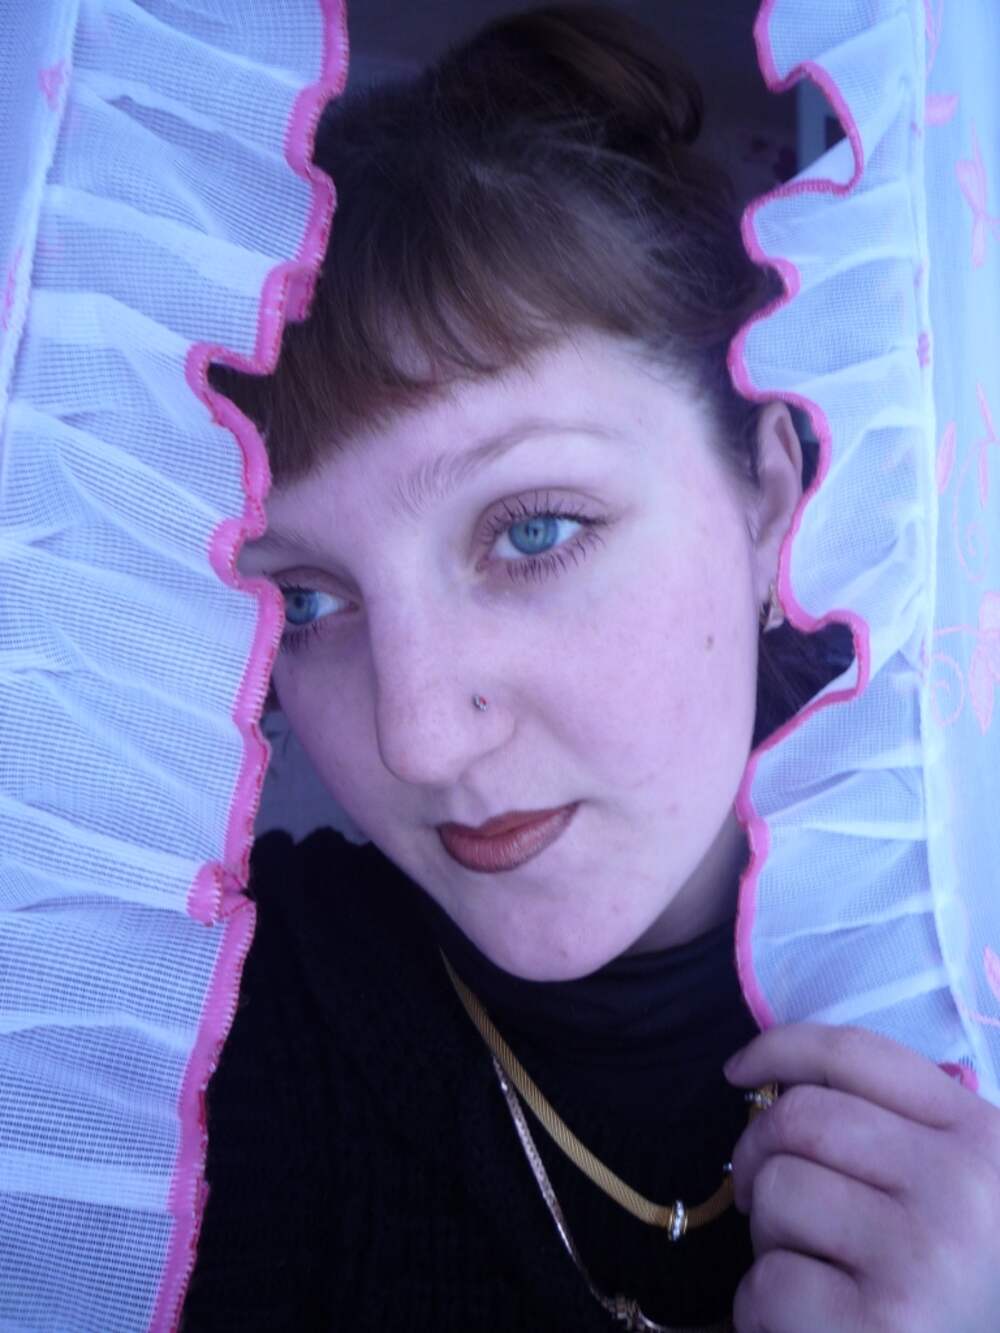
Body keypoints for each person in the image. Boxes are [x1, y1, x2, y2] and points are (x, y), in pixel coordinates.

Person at [181, 6, 1000, 1331]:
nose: (417, 738)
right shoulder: (220, 1032)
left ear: (768, 499)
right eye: (313, 600)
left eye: (532, 531)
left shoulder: (967, 958)